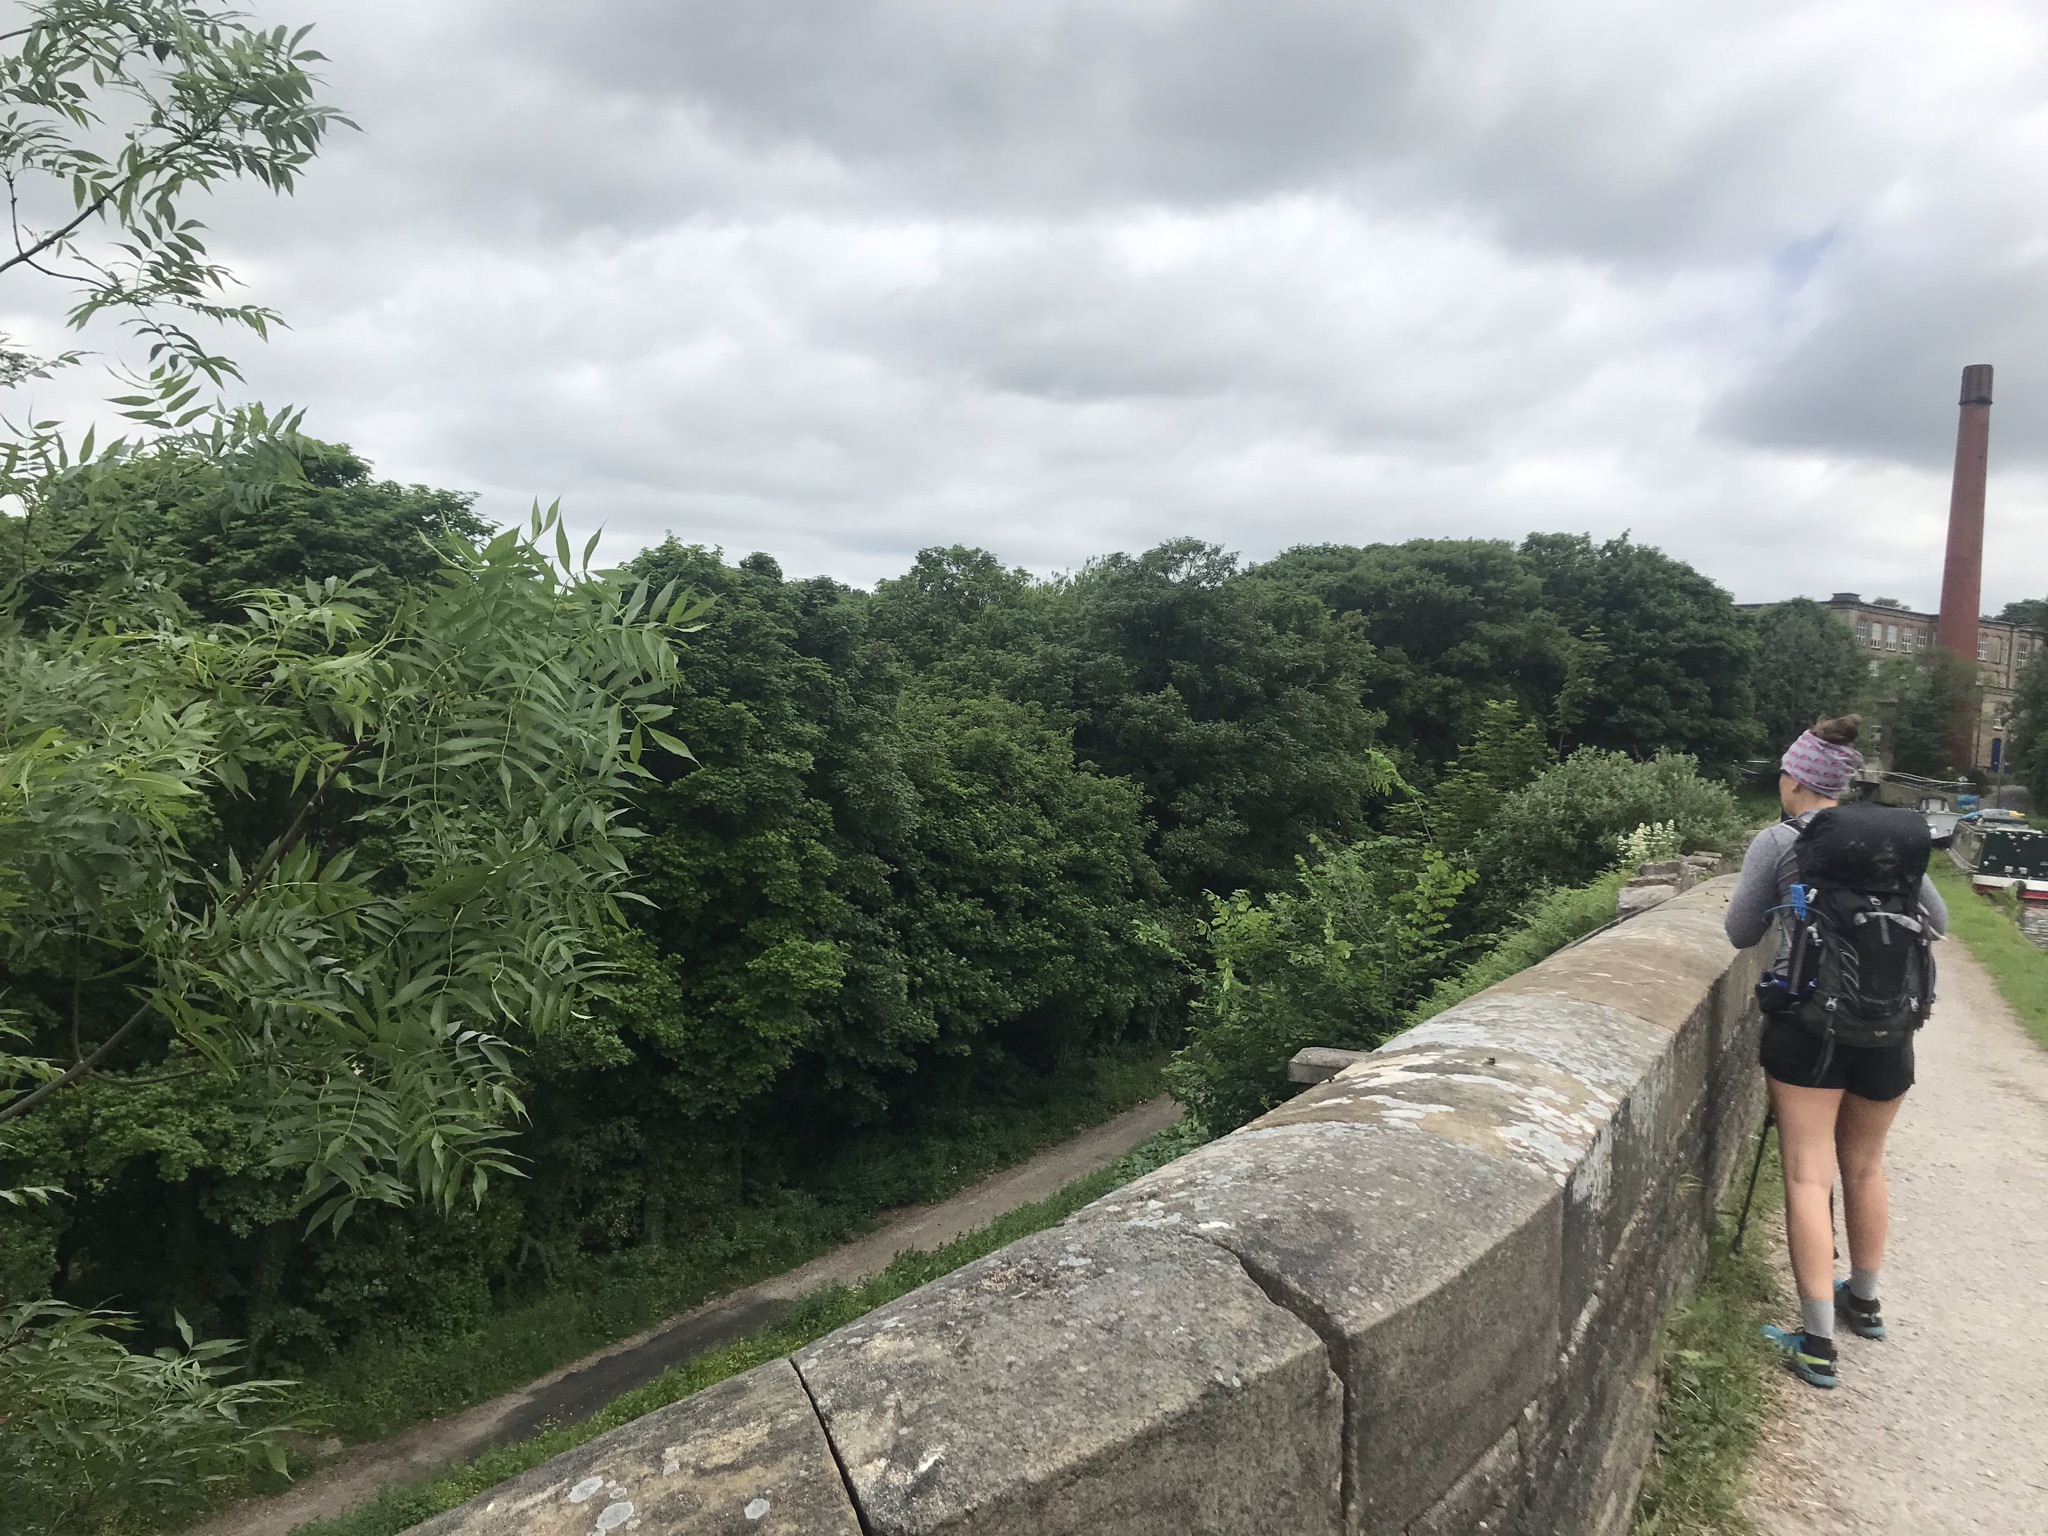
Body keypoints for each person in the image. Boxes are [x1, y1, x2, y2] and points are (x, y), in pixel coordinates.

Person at [1723, 715, 1947, 1389]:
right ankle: (1866, 1302)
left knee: (1807, 1174)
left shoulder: (1779, 839)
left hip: (1810, 1031)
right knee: (1867, 1166)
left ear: (1794, 779)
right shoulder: (1889, 847)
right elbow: (1936, 924)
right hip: (1890, 1029)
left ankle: (1817, 1344)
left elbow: (1738, 931)